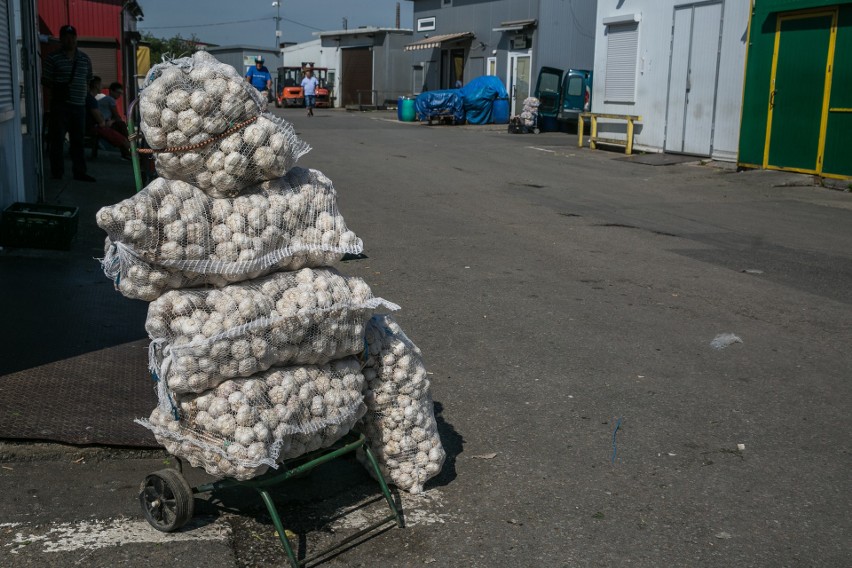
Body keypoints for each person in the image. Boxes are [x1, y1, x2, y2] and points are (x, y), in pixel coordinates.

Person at [42, 24, 95, 182]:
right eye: (66, 36)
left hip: (79, 106)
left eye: (72, 37)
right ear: (61, 39)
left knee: (78, 141)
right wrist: (59, 88)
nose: (69, 40)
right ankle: (57, 173)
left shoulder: (84, 58)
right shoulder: (53, 58)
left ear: (76, 38)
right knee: (57, 140)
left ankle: (80, 172)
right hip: (60, 106)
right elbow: (45, 80)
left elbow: (88, 79)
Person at [86, 76, 131, 159]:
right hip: (97, 126)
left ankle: (127, 151)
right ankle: (130, 151)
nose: (102, 86)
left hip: (98, 124)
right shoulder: (106, 100)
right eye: (118, 93)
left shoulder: (94, 99)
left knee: (120, 126)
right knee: (121, 127)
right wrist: (109, 121)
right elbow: (111, 118)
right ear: (96, 85)